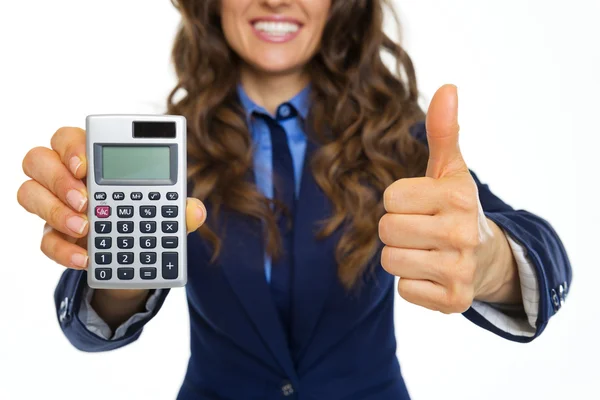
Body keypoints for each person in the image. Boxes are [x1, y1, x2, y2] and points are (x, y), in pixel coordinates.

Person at [16, 0, 572, 398]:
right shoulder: (168, 150)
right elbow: (87, 325)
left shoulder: (395, 138)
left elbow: (541, 253)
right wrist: (117, 266)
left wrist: (494, 259)